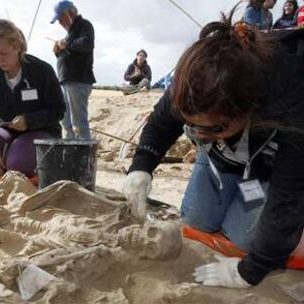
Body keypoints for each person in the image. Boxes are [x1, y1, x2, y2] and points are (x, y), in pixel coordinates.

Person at [123, 8, 304, 289]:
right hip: (221, 160)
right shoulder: (190, 81)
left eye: (213, 127)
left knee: (244, 238)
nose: (200, 135)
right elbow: (161, 122)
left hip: (265, 166)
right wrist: (141, 166)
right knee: (197, 219)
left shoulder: (290, 101)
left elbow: (289, 196)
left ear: (248, 111)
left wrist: (251, 270)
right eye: (191, 125)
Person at [0, 19, 65, 178]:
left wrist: (28, 121)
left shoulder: (42, 71)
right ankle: (9, 161)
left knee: (16, 165)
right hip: (9, 130)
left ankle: (46, 162)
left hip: (43, 131)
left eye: (3, 53)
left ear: (17, 47)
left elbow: (58, 110)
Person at [51, 0, 96, 140]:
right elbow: (70, 53)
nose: (59, 22)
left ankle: (83, 157)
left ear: (69, 13)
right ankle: (71, 152)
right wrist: (58, 51)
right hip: (67, 81)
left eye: (60, 18)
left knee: (78, 123)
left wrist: (66, 44)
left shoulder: (84, 25)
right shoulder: (70, 33)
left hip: (78, 81)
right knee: (66, 121)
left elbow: (87, 44)